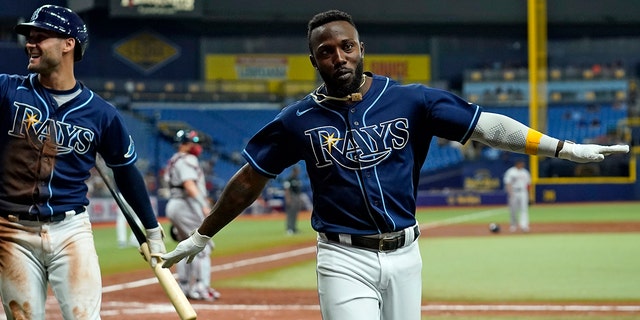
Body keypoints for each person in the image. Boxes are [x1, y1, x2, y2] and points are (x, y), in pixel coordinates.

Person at [162, 9, 629, 320]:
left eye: (346, 46)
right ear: (314, 61)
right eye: (326, 51)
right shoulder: (297, 120)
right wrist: (204, 234)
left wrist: (562, 149)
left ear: (361, 48)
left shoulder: (409, 100)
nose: (338, 56)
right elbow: (250, 179)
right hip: (343, 256)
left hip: (406, 254)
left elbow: (486, 126)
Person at [0, 5, 166, 319]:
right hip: (12, 231)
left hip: (70, 230)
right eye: (29, 37)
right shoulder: (7, 90)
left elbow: (126, 172)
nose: (29, 44)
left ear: (68, 44)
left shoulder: (101, 113)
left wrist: (153, 231)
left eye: (40, 36)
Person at [163, 129, 220, 301]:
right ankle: (202, 287)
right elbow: (189, 185)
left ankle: (185, 286)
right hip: (186, 204)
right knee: (203, 245)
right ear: (183, 144)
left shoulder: (174, 160)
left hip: (176, 204)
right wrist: (203, 205)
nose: (197, 146)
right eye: (192, 142)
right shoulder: (188, 159)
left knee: (185, 246)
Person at [503, 158, 532, 232]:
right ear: (517, 164)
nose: (522, 164)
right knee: (513, 210)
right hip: (514, 191)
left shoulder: (525, 172)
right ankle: (513, 225)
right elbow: (508, 183)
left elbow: (528, 184)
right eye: (521, 163)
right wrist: (510, 193)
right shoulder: (511, 171)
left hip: (523, 192)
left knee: (524, 209)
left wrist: (530, 194)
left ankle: (524, 226)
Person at [283, 164, 304, 234]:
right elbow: (287, 190)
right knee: (290, 214)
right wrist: (288, 199)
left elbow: (299, 190)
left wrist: (299, 199)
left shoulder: (297, 179)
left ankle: (294, 228)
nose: (298, 172)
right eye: (297, 170)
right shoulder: (289, 179)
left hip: (297, 197)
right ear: (294, 171)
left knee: (295, 214)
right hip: (292, 197)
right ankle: (289, 228)